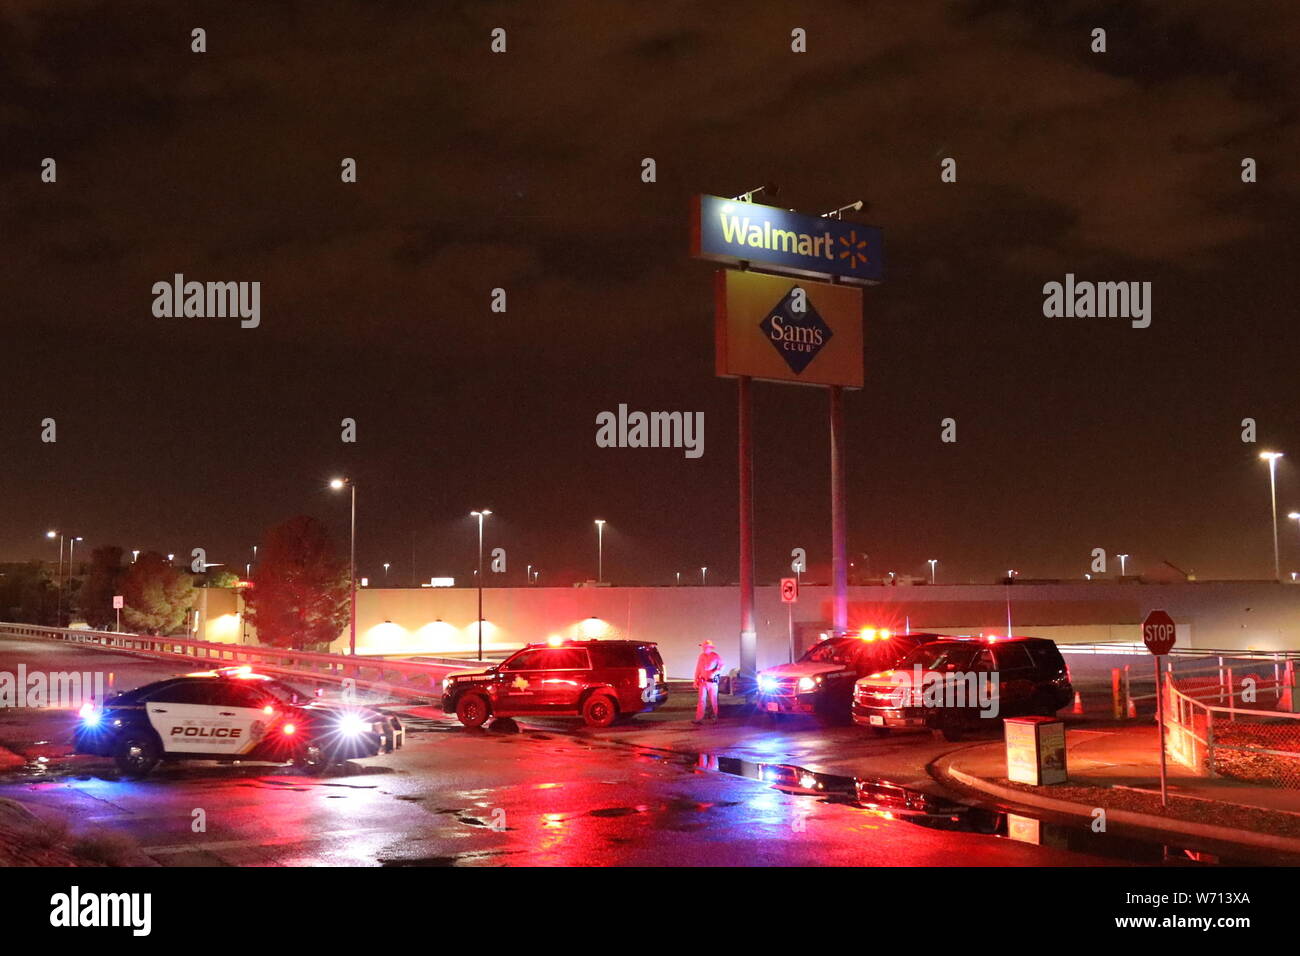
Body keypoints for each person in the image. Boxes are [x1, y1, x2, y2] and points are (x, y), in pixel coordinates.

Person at [693, 640, 723, 724]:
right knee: (701, 700)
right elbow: (698, 669)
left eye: (705, 647)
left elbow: (722, 666)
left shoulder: (716, 656)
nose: (703, 648)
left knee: (713, 700)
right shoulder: (701, 656)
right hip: (703, 681)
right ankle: (699, 718)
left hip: (712, 682)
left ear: (710, 648)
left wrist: (715, 672)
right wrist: (695, 680)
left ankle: (715, 717)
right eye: (703, 647)